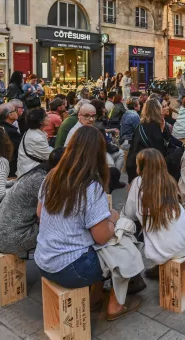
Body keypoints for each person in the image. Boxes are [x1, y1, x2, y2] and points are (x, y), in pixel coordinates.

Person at [36, 126, 143, 319]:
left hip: (44, 260)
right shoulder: (90, 187)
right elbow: (102, 237)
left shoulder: (51, 177)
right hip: (73, 268)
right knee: (126, 245)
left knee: (100, 247)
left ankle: (94, 299)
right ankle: (115, 306)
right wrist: (113, 219)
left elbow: (40, 214)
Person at [122, 149, 185, 266]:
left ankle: (132, 274)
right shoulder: (170, 180)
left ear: (142, 167)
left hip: (164, 251)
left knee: (125, 224)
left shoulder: (138, 182)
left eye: (137, 165)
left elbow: (129, 213)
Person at [0, 147, 63, 256]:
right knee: (61, 226)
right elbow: (52, 214)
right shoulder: (42, 181)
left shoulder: (37, 173)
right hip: (11, 239)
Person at [126, 99, 170, 183]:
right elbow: (159, 151)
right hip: (146, 167)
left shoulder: (141, 124)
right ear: (157, 110)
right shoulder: (155, 126)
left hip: (133, 163)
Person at [17, 108, 52, 177]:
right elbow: (49, 156)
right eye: (46, 116)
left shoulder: (32, 131)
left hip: (28, 170)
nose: (48, 117)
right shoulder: (37, 138)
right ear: (41, 121)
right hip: (30, 175)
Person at [0, 103, 22, 175]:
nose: (17, 112)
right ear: (9, 115)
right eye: (15, 110)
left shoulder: (0, 127)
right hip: (11, 169)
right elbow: (18, 149)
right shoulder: (10, 132)